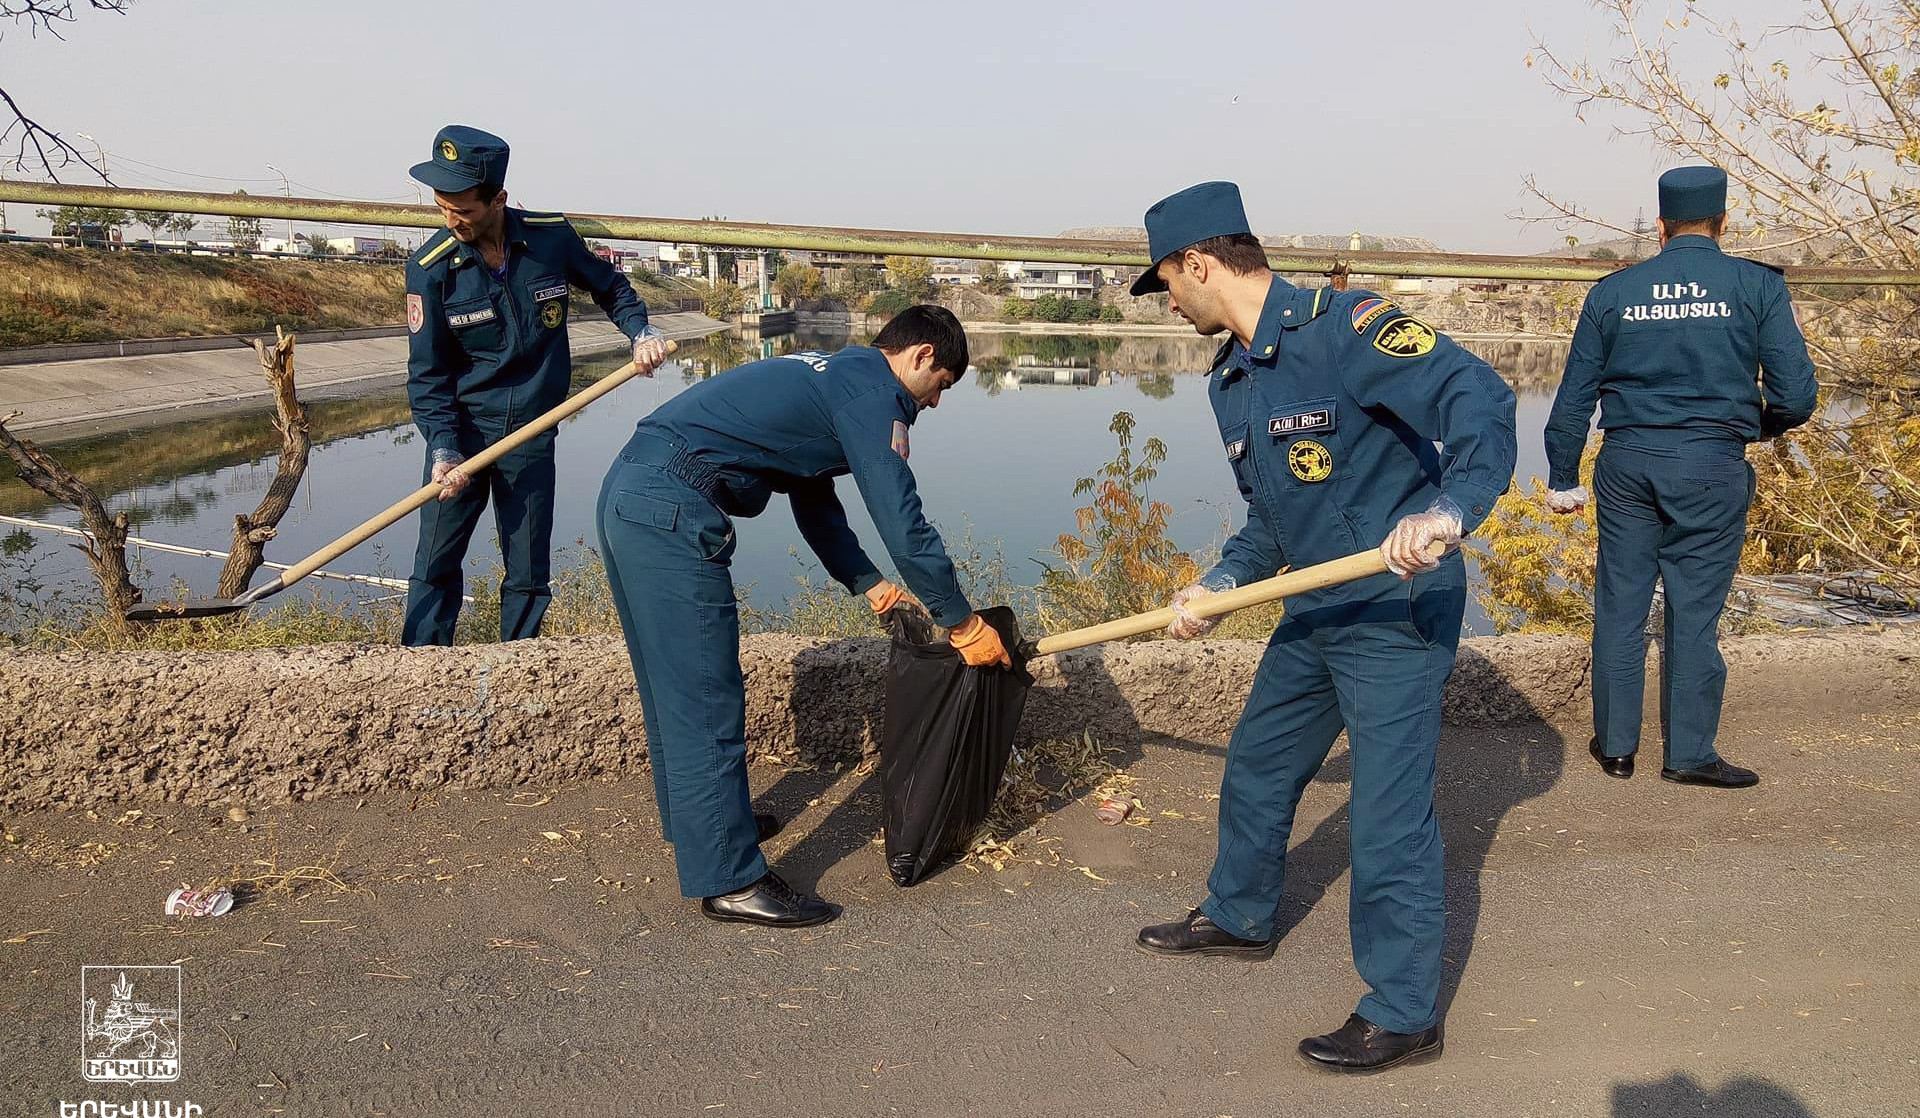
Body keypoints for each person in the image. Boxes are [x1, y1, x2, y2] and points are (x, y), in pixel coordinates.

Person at [1128, 181, 1516, 1073]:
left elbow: (1482, 401)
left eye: (1168, 284)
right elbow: (1270, 521)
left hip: (1394, 607)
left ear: (1200, 264)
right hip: (1318, 602)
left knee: (1386, 811)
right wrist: (1220, 583)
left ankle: (1404, 1010)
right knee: (1260, 759)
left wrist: (1451, 509)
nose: (1171, 303)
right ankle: (1239, 915)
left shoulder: (1344, 328)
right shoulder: (1231, 382)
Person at [596, 305, 1012, 928]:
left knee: (672, 688)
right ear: (922, 356)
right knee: (705, 696)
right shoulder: (877, 397)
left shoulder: (837, 376)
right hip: (670, 508)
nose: (935, 403)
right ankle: (730, 879)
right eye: (943, 386)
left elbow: (814, 500)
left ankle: (705, 824)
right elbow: (902, 520)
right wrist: (962, 622)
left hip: (635, 494)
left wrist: (870, 586)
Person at [1543, 165, 1817, 788]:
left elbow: (1572, 400)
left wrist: (1563, 474)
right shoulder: (1757, 287)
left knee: (1619, 605)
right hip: (1711, 467)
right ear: (1722, 223)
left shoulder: (1614, 292)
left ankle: (1615, 747)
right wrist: (1756, 428)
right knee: (1693, 613)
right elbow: (1798, 395)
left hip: (1627, 465)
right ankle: (1689, 754)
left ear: (1660, 226)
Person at [402, 124, 668, 646]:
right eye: (441, 206)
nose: (452, 219)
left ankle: (517, 669)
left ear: (498, 199)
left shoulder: (550, 239)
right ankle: (421, 670)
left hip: (532, 430)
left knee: (527, 570)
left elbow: (610, 286)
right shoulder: (432, 271)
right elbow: (427, 375)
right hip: (464, 434)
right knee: (435, 562)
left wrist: (641, 330)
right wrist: (442, 448)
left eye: (465, 209)